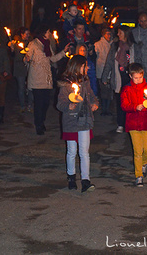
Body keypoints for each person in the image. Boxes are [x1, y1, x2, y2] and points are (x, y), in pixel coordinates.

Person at [57, 55, 99, 193]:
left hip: (84, 119)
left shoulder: (85, 81)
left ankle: (86, 180)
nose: (87, 68)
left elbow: (91, 95)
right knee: (71, 151)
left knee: (84, 151)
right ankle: (71, 177)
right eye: (84, 66)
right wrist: (68, 106)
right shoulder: (66, 84)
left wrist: (94, 103)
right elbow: (60, 103)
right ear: (77, 67)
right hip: (70, 121)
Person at [25, 24, 69, 135]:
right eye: (48, 31)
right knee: (39, 103)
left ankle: (42, 121)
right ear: (43, 32)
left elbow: (52, 59)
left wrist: (63, 52)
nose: (49, 34)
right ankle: (38, 124)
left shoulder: (47, 44)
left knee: (45, 103)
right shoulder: (33, 44)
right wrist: (27, 58)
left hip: (46, 78)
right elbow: (26, 58)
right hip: (37, 78)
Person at [121, 63, 147, 187]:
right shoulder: (126, 89)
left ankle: (143, 164)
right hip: (133, 123)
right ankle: (139, 175)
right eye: (135, 78)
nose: (138, 80)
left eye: (140, 77)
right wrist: (135, 107)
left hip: (146, 122)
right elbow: (124, 105)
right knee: (137, 151)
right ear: (130, 76)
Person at [101, 25, 141, 133]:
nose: (118, 35)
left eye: (120, 33)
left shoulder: (134, 47)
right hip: (119, 78)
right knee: (120, 102)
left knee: (132, 102)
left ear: (126, 34)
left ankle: (131, 124)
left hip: (131, 78)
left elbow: (139, 62)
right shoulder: (114, 46)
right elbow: (109, 62)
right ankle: (121, 123)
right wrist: (105, 76)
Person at [9, 27, 32, 112]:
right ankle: (22, 106)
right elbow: (12, 56)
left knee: (30, 87)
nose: (28, 36)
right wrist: (11, 50)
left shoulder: (30, 43)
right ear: (22, 34)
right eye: (26, 34)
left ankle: (30, 105)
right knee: (21, 87)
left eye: (28, 34)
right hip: (19, 67)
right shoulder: (16, 43)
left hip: (29, 67)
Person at [94, 27, 113, 115]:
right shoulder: (98, 44)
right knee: (103, 91)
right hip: (101, 71)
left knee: (109, 92)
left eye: (110, 34)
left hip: (111, 72)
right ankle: (104, 108)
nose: (109, 36)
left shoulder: (113, 44)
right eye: (107, 34)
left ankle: (108, 108)